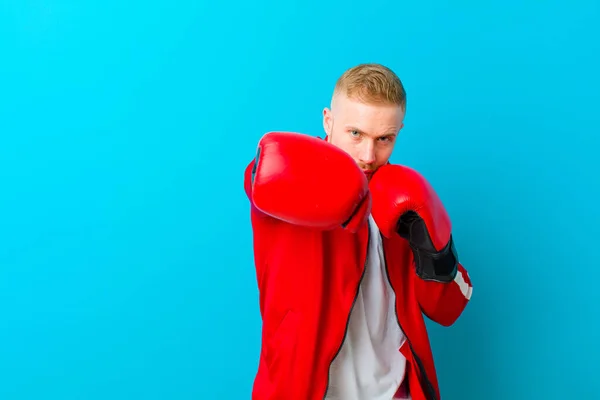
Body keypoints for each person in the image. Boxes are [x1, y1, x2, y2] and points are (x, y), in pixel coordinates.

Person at [243, 63, 473, 400]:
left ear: (399, 131)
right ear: (327, 120)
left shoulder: (405, 199)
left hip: (396, 390)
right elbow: (258, 176)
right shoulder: (291, 180)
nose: (368, 155)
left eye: (384, 139)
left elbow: (448, 309)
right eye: (355, 134)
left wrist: (435, 251)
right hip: (310, 389)